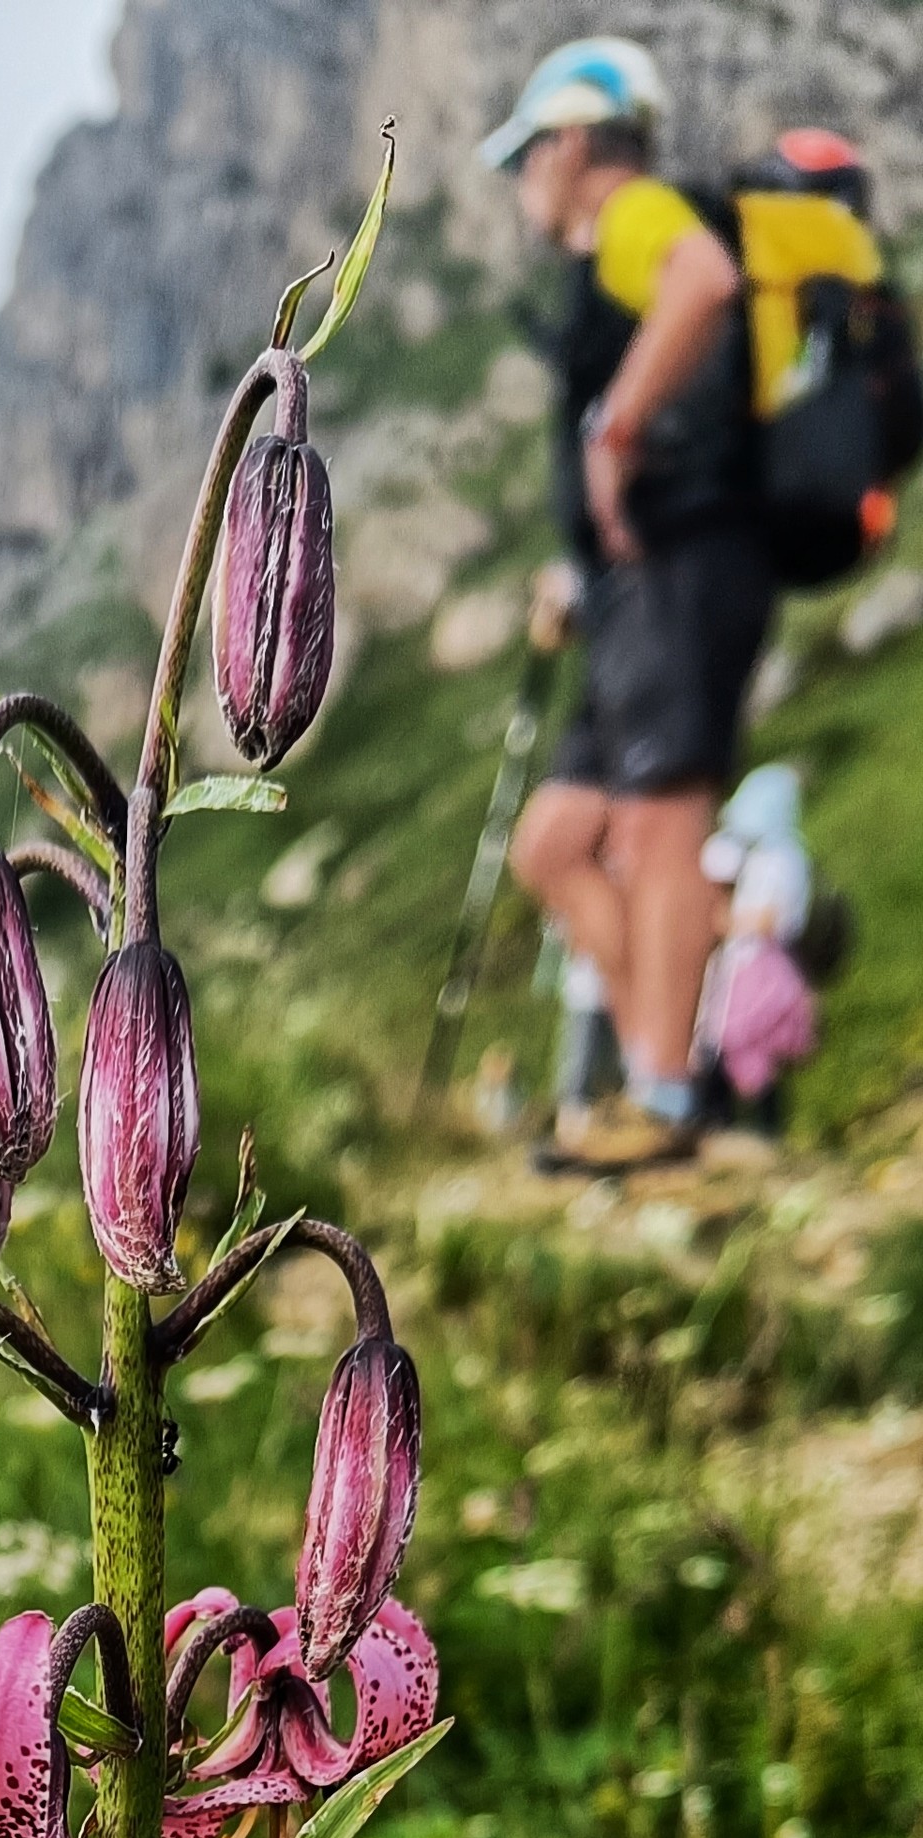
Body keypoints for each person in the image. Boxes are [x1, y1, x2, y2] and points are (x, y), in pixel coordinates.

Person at [488, 39, 777, 1171]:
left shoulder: (639, 212)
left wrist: (612, 434)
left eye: (525, 155)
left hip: (685, 566)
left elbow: (706, 281)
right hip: (626, 589)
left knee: (661, 825)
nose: (521, 181)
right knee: (555, 843)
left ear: (571, 146)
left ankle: (660, 1102)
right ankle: (670, 1063)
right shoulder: (605, 257)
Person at [694, 760, 818, 1132]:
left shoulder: (783, 858)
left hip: (760, 966)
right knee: (729, 1044)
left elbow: (770, 917)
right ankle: (733, 1125)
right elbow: (715, 860)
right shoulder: (761, 853)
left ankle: (754, 1129)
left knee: (746, 1041)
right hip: (743, 963)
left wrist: (729, 922)